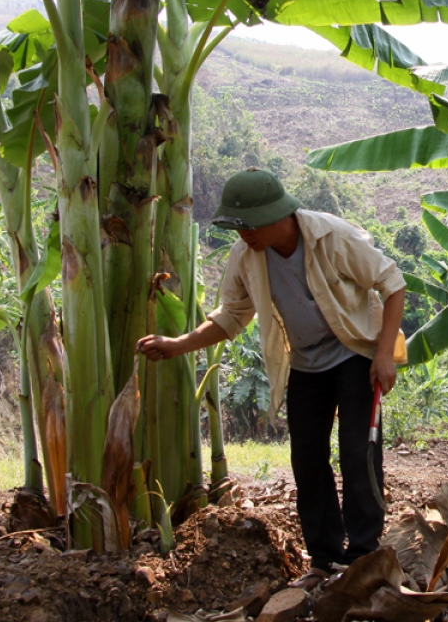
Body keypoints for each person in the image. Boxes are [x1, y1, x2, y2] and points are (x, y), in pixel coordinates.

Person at [136, 168, 406, 585]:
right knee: (307, 459)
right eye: (236, 227)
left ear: (277, 215)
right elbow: (230, 317)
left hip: (355, 353)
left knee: (358, 452)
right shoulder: (246, 256)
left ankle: (365, 556)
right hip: (304, 364)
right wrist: (177, 345)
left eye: (247, 226)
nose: (242, 235)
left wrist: (384, 354)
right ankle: (324, 558)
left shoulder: (332, 236)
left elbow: (392, 283)